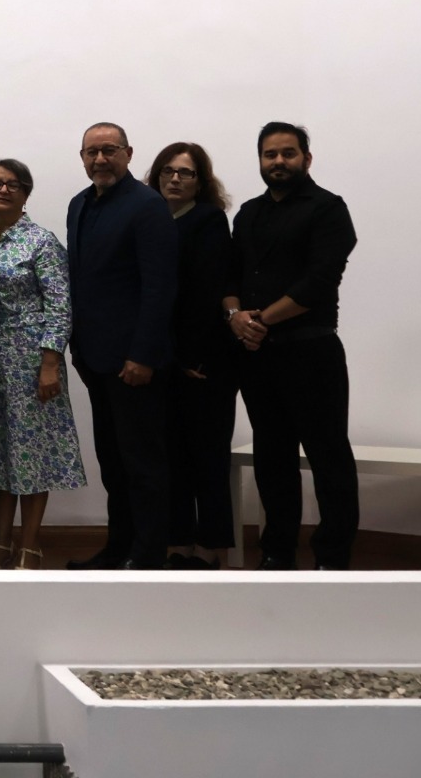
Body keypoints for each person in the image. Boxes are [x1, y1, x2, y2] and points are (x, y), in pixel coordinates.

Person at [226, 122, 358, 570]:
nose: (278, 162)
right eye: (269, 154)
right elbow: (230, 277)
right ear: (260, 160)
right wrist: (235, 317)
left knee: (328, 457)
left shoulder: (328, 209)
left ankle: (332, 559)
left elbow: (319, 282)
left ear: (307, 158)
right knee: (272, 458)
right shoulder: (247, 213)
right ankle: (277, 553)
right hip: (259, 357)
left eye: (288, 153)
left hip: (311, 352)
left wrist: (259, 320)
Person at [65, 122, 178, 570]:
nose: (100, 159)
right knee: (112, 462)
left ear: (128, 153)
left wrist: (143, 355)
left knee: (143, 464)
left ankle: (148, 557)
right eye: (91, 152)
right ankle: (118, 549)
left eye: (109, 150)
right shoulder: (79, 205)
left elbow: (159, 287)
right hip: (95, 359)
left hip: (135, 362)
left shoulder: (148, 206)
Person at [0, 159, 85, 572]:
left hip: (31, 364)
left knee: (31, 455)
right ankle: (0, 544)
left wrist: (50, 363)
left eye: (13, 184)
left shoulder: (41, 241)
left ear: (26, 193)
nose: (3, 190)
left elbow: (60, 305)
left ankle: (30, 544)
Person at [147, 141, 236, 570]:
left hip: (203, 361)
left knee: (207, 456)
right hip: (162, 360)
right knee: (172, 458)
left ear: (201, 181)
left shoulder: (208, 220)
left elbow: (206, 292)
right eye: (168, 171)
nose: (176, 179)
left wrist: (192, 357)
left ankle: (209, 544)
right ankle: (178, 539)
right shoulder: (149, 220)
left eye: (186, 173)